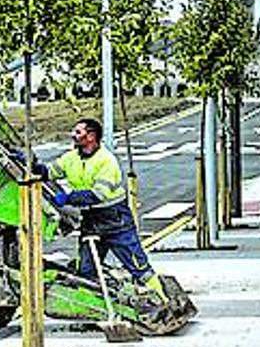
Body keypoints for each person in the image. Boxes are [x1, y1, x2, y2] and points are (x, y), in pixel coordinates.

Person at [37, 117, 165, 299]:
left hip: (115, 219)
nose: (73, 135)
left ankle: (163, 300)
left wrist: (68, 198)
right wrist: (33, 166)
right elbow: (50, 172)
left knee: (138, 266)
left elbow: (98, 195)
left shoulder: (106, 161)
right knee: (86, 271)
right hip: (91, 220)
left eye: (78, 132)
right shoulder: (70, 158)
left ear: (91, 136)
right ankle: (88, 311)